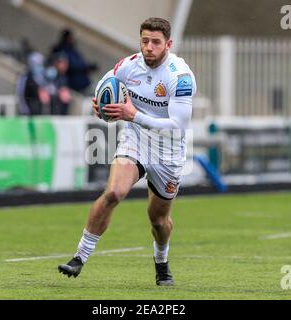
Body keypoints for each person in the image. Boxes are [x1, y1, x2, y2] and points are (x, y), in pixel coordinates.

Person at [58, 17, 196, 286]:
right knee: (113, 193)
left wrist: (134, 115)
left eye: (156, 42)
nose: (149, 47)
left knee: (158, 220)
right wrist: (100, 106)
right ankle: (79, 258)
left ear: (168, 44)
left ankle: (161, 262)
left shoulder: (180, 77)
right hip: (136, 140)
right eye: (145, 41)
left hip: (169, 151)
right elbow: (105, 85)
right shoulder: (129, 65)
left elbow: (178, 126)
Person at [50, 29, 98, 94]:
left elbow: (80, 62)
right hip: (74, 84)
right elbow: (72, 65)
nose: (72, 40)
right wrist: (86, 67)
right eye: (70, 38)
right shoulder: (61, 50)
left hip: (84, 83)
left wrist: (88, 66)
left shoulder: (73, 50)